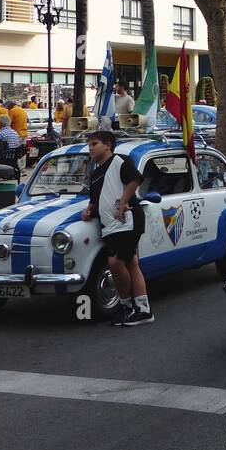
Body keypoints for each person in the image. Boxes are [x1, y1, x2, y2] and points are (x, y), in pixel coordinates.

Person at [82, 130, 151, 326]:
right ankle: (137, 308)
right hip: (110, 226)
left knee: (116, 262)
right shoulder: (95, 173)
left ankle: (131, 306)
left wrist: (123, 202)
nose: (91, 148)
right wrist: (89, 211)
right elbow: (95, 200)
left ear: (108, 145)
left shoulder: (120, 161)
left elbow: (135, 179)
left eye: (94, 143)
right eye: (89, 145)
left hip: (127, 221)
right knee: (130, 262)